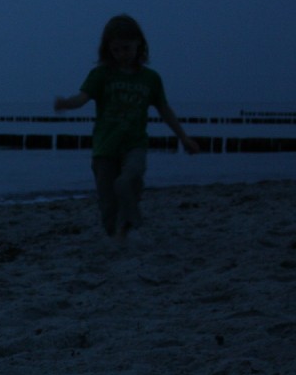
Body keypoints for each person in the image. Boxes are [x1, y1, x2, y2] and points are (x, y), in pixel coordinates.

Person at [54, 14, 200, 241]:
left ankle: (130, 218)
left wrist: (183, 137)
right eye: (116, 50)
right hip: (105, 147)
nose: (122, 54)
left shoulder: (150, 78)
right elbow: (82, 98)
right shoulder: (101, 74)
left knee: (128, 179)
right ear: (107, 49)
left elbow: (164, 109)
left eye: (126, 48)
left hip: (134, 143)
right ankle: (119, 234)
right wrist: (65, 104)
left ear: (139, 45)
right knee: (108, 204)